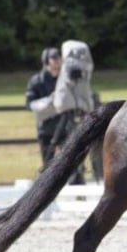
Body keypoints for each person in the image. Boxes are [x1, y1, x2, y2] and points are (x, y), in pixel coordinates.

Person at [25, 47, 84, 184]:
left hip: (66, 127)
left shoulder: (66, 80)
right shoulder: (36, 81)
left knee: (71, 161)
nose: (58, 61)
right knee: (48, 166)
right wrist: (50, 101)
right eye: (54, 58)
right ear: (46, 61)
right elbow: (29, 104)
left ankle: (76, 185)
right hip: (46, 129)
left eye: (59, 58)